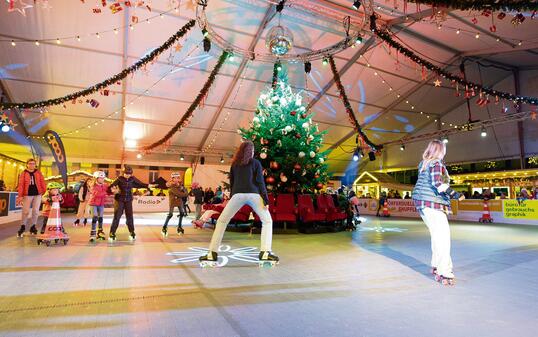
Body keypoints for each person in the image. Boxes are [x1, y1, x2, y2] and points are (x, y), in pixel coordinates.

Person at [199, 141, 279, 266]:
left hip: (237, 195)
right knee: (267, 221)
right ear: (250, 151)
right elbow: (260, 182)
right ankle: (265, 252)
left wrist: (232, 198)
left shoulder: (235, 164)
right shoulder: (256, 163)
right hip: (254, 194)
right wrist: (266, 199)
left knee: (221, 221)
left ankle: (212, 253)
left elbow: (232, 182)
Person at [412, 140, 464, 286]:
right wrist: (454, 194)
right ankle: (445, 272)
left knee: (437, 236)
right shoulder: (436, 163)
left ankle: (436, 265)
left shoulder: (424, 163)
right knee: (443, 238)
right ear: (440, 150)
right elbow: (437, 183)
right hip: (432, 203)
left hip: (422, 203)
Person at [107, 166, 151, 242]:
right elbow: (110, 187)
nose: (128, 175)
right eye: (126, 173)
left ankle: (132, 231)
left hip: (128, 200)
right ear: (123, 173)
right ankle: (112, 232)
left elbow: (140, 184)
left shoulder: (132, 179)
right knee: (117, 216)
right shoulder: (119, 179)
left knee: (130, 216)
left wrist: (148, 186)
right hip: (119, 200)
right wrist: (113, 190)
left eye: (129, 174)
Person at [16, 158, 47, 237]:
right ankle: (22, 227)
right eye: (30, 163)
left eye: (33, 163)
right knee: (25, 211)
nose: (31, 165)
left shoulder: (38, 172)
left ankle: (33, 226)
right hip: (27, 195)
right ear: (27, 164)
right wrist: (20, 196)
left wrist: (43, 191)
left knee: (35, 211)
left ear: (35, 164)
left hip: (37, 194)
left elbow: (42, 181)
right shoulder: (24, 173)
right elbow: (21, 185)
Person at [161, 172, 188, 237]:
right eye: (175, 178)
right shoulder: (171, 186)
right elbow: (180, 194)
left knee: (182, 213)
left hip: (179, 201)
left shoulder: (180, 185)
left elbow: (184, 191)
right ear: (172, 179)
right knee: (170, 214)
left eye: (177, 178)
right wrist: (185, 192)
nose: (176, 179)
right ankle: (164, 227)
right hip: (173, 201)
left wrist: (184, 190)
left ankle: (179, 226)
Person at [89, 171, 109, 242]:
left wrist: (114, 189)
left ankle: (100, 232)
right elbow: (97, 194)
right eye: (100, 178)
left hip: (101, 204)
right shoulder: (92, 185)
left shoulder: (105, 185)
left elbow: (109, 190)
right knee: (94, 217)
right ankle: (92, 234)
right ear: (96, 178)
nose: (102, 179)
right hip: (93, 203)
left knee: (100, 218)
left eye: (103, 178)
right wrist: (105, 193)